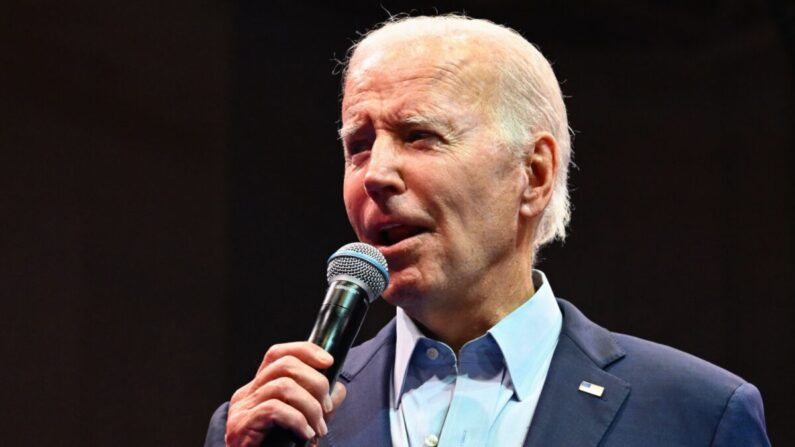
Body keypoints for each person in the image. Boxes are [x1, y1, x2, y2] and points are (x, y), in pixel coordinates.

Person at [206, 15, 770, 447]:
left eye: (420, 135)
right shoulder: (272, 422)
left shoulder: (695, 415)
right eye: (358, 145)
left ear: (534, 174)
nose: (375, 174)